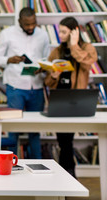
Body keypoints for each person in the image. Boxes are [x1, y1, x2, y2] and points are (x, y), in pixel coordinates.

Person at [0, 7, 50, 159]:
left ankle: (37, 164)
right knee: (13, 128)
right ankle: (10, 164)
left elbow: (46, 58)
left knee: (35, 129)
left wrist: (42, 67)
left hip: (36, 87)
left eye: (33, 24)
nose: (31, 27)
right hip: (16, 87)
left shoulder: (43, 34)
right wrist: (8, 59)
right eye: (27, 24)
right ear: (19, 22)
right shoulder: (7, 34)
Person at [44, 17, 97, 177]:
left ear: (74, 32)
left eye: (64, 32)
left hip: (77, 98)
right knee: (63, 140)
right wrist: (53, 75)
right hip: (59, 98)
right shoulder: (57, 51)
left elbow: (88, 63)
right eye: (59, 31)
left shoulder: (86, 47)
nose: (60, 34)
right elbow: (48, 81)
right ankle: (68, 174)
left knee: (66, 140)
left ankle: (66, 174)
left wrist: (74, 45)